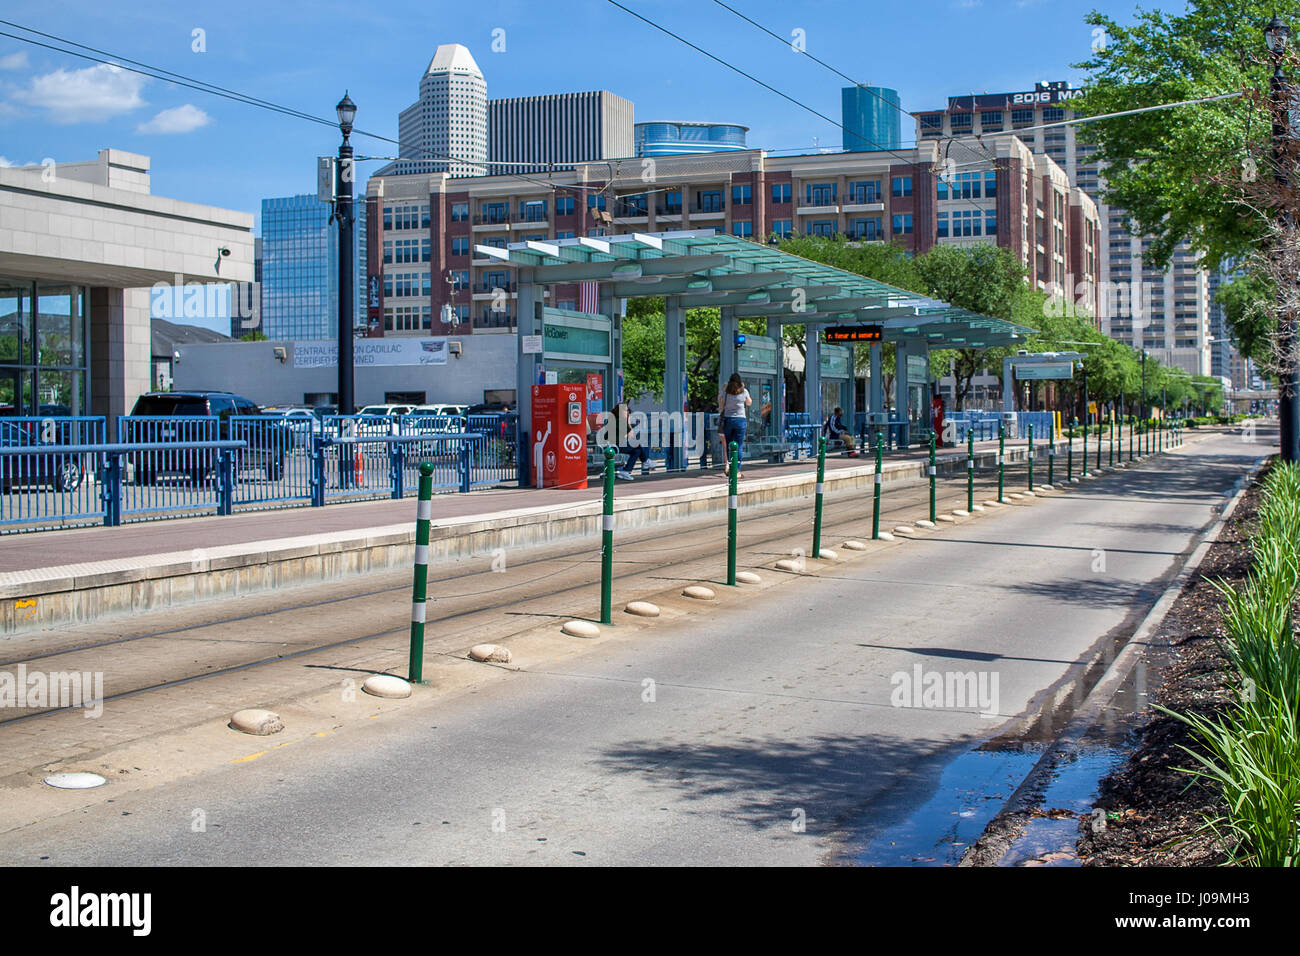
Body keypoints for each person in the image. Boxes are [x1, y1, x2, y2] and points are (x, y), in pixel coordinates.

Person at [718, 373, 752, 478]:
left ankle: (731, 468)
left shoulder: (726, 392)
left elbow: (722, 405)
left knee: (730, 446)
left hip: (728, 420)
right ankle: (737, 470)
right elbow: (749, 403)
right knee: (739, 446)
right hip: (741, 420)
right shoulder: (744, 391)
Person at [612, 401, 648, 480]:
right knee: (637, 446)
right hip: (615, 447)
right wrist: (628, 422)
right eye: (627, 411)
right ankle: (645, 461)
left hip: (618, 445)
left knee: (637, 451)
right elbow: (631, 435)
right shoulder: (618, 421)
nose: (628, 412)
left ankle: (626, 471)